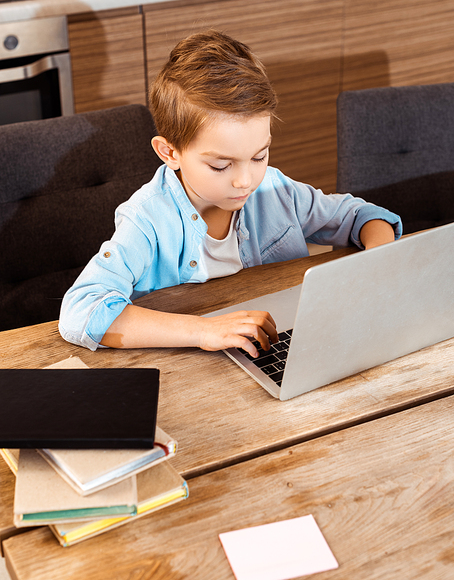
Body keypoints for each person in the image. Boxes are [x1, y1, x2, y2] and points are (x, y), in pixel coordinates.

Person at [59, 30, 402, 355]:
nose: (245, 180)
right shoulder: (148, 219)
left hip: (283, 343)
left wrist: (378, 264)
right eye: (221, 166)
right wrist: (204, 330)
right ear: (170, 153)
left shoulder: (275, 189)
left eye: (259, 156)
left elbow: (361, 215)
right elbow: (80, 312)